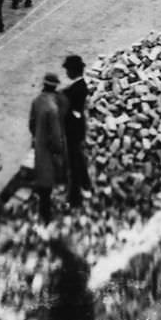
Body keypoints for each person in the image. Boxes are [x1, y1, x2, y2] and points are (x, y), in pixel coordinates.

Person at [29, 71, 68, 224]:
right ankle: (46, 217)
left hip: (39, 145)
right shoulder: (53, 108)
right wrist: (59, 151)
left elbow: (31, 125)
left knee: (42, 178)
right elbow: (56, 136)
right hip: (49, 150)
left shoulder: (37, 101)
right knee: (48, 182)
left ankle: (43, 208)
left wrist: (38, 136)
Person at [58, 54, 91, 210]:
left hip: (73, 131)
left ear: (73, 71)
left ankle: (75, 199)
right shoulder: (78, 86)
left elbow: (75, 113)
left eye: (68, 70)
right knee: (79, 158)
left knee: (74, 164)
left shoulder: (78, 89)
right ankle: (86, 184)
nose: (66, 73)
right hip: (77, 130)